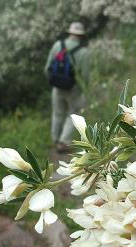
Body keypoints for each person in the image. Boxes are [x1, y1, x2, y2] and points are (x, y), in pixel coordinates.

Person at [45, 22, 89, 154]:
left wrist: (54, 82)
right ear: (81, 36)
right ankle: (64, 141)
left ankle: (55, 139)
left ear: (70, 33)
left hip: (57, 88)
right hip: (72, 89)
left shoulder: (58, 45)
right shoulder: (84, 52)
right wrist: (83, 90)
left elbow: (47, 68)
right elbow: (85, 76)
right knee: (73, 113)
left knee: (57, 113)